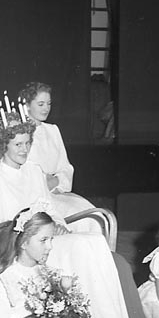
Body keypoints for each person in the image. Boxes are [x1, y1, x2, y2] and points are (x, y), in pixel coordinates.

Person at [0, 114, 155, 318]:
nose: (24, 149)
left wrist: (57, 224)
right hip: (25, 251)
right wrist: (37, 230)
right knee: (87, 248)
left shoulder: (34, 171)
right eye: (18, 144)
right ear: (3, 145)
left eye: (27, 143)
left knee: (109, 257)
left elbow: (50, 208)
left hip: (49, 239)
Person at [19, 82, 97, 229]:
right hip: (35, 198)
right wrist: (44, 182)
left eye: (49, 103)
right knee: (83, 221)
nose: (46, 108)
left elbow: (65, 166)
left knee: (95, 215)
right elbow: (22, 171)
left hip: (57, 191)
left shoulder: (53, 130)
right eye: (41, 104)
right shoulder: (20, 133)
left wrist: (58, 181)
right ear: (27, 105)